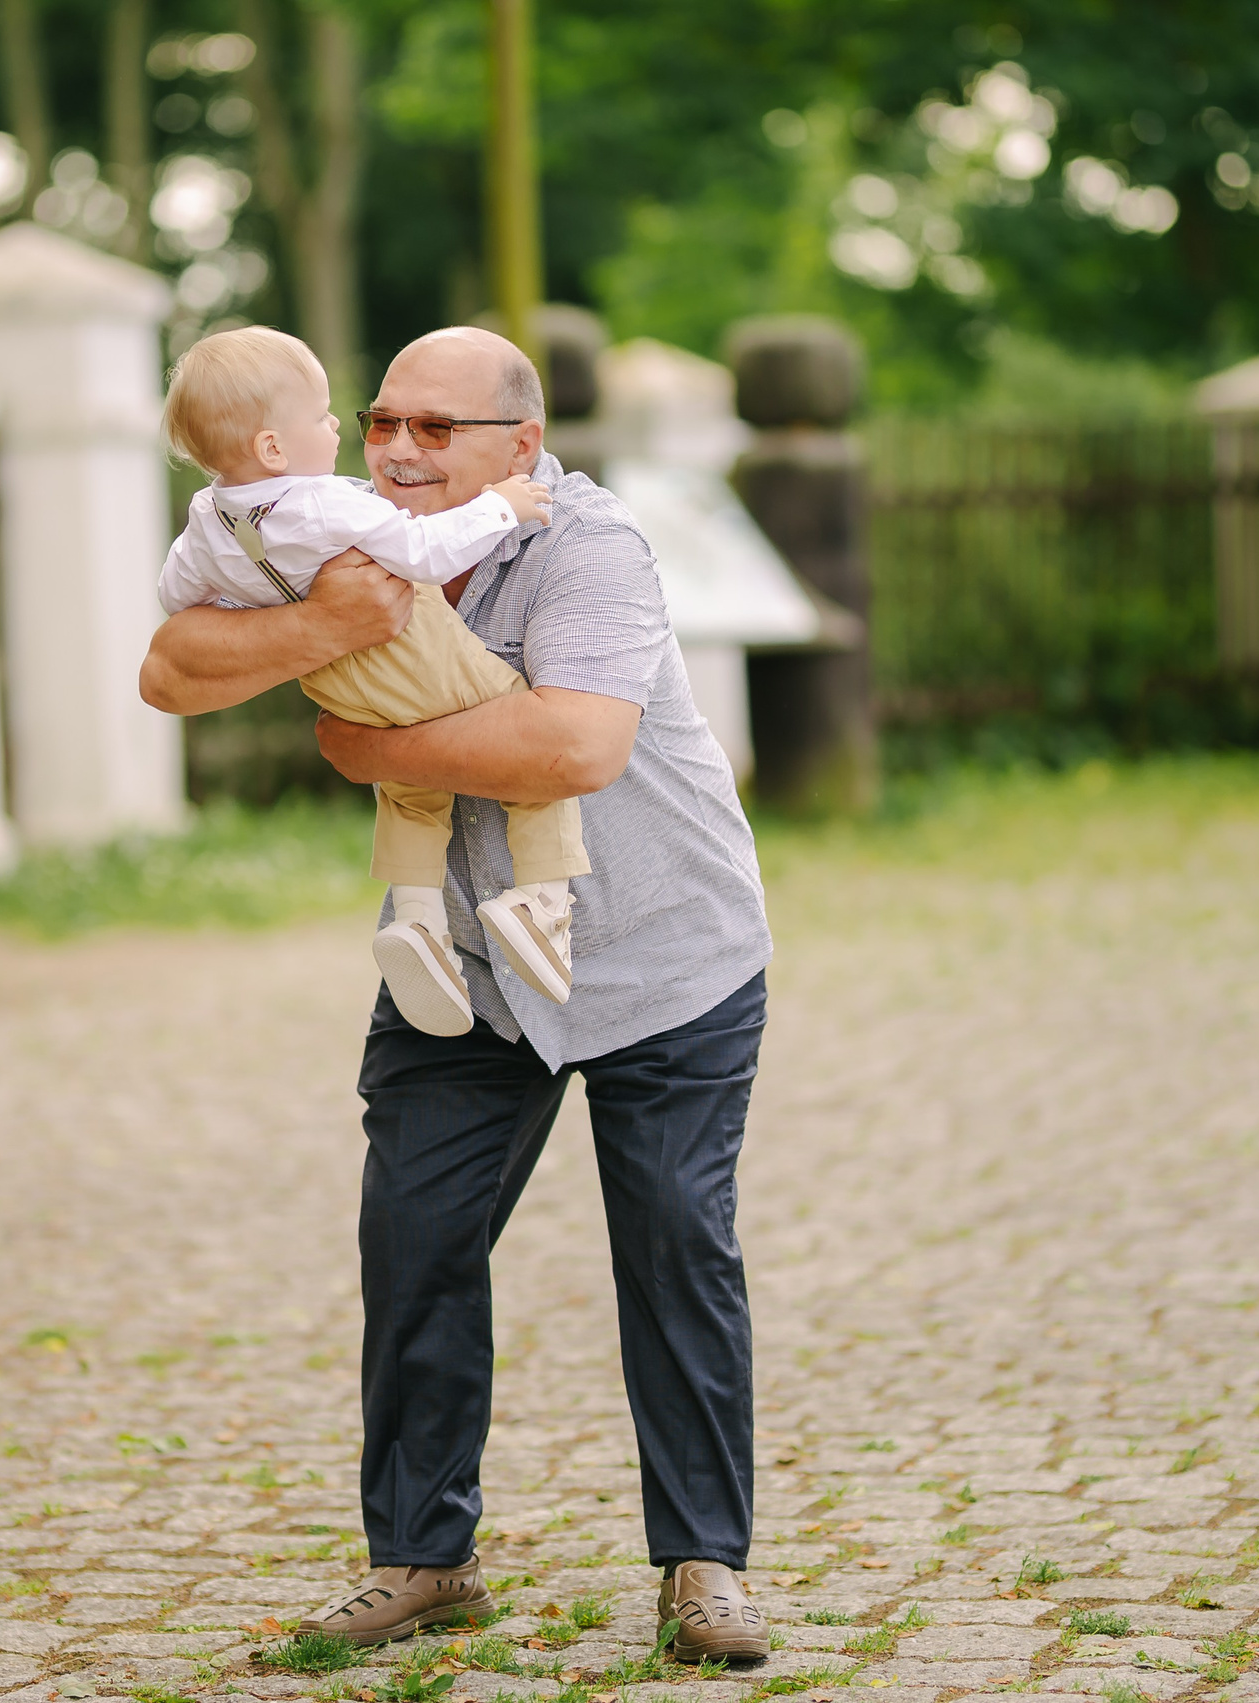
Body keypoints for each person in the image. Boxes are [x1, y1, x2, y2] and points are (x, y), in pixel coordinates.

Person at [139, 326, 775, 1665]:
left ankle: (706, 1559)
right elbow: (171, 669)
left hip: (665, 947)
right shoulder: (324, 530)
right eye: (381, 422)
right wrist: (322, 628)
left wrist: (362, 734)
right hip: (472, 969)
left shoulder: (588, 546)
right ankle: (424, 1559)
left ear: (520, 447)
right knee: (415, 1236)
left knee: (672, 1236)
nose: (399, 448)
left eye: (437, 428)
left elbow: (573, 742)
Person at [156, 326, 585, 1034]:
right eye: (333, 417)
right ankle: (539, 901)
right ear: (273, 448)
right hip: (407, 649)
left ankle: (418, 919)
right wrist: (503, 506)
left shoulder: (209, 515)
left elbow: (178, 595)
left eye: (433, 427)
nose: (339, 429)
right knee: (529, 738)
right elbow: (421, 550)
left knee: (412, 788)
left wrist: (270, 596)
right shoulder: (328, 502)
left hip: (332, 682)